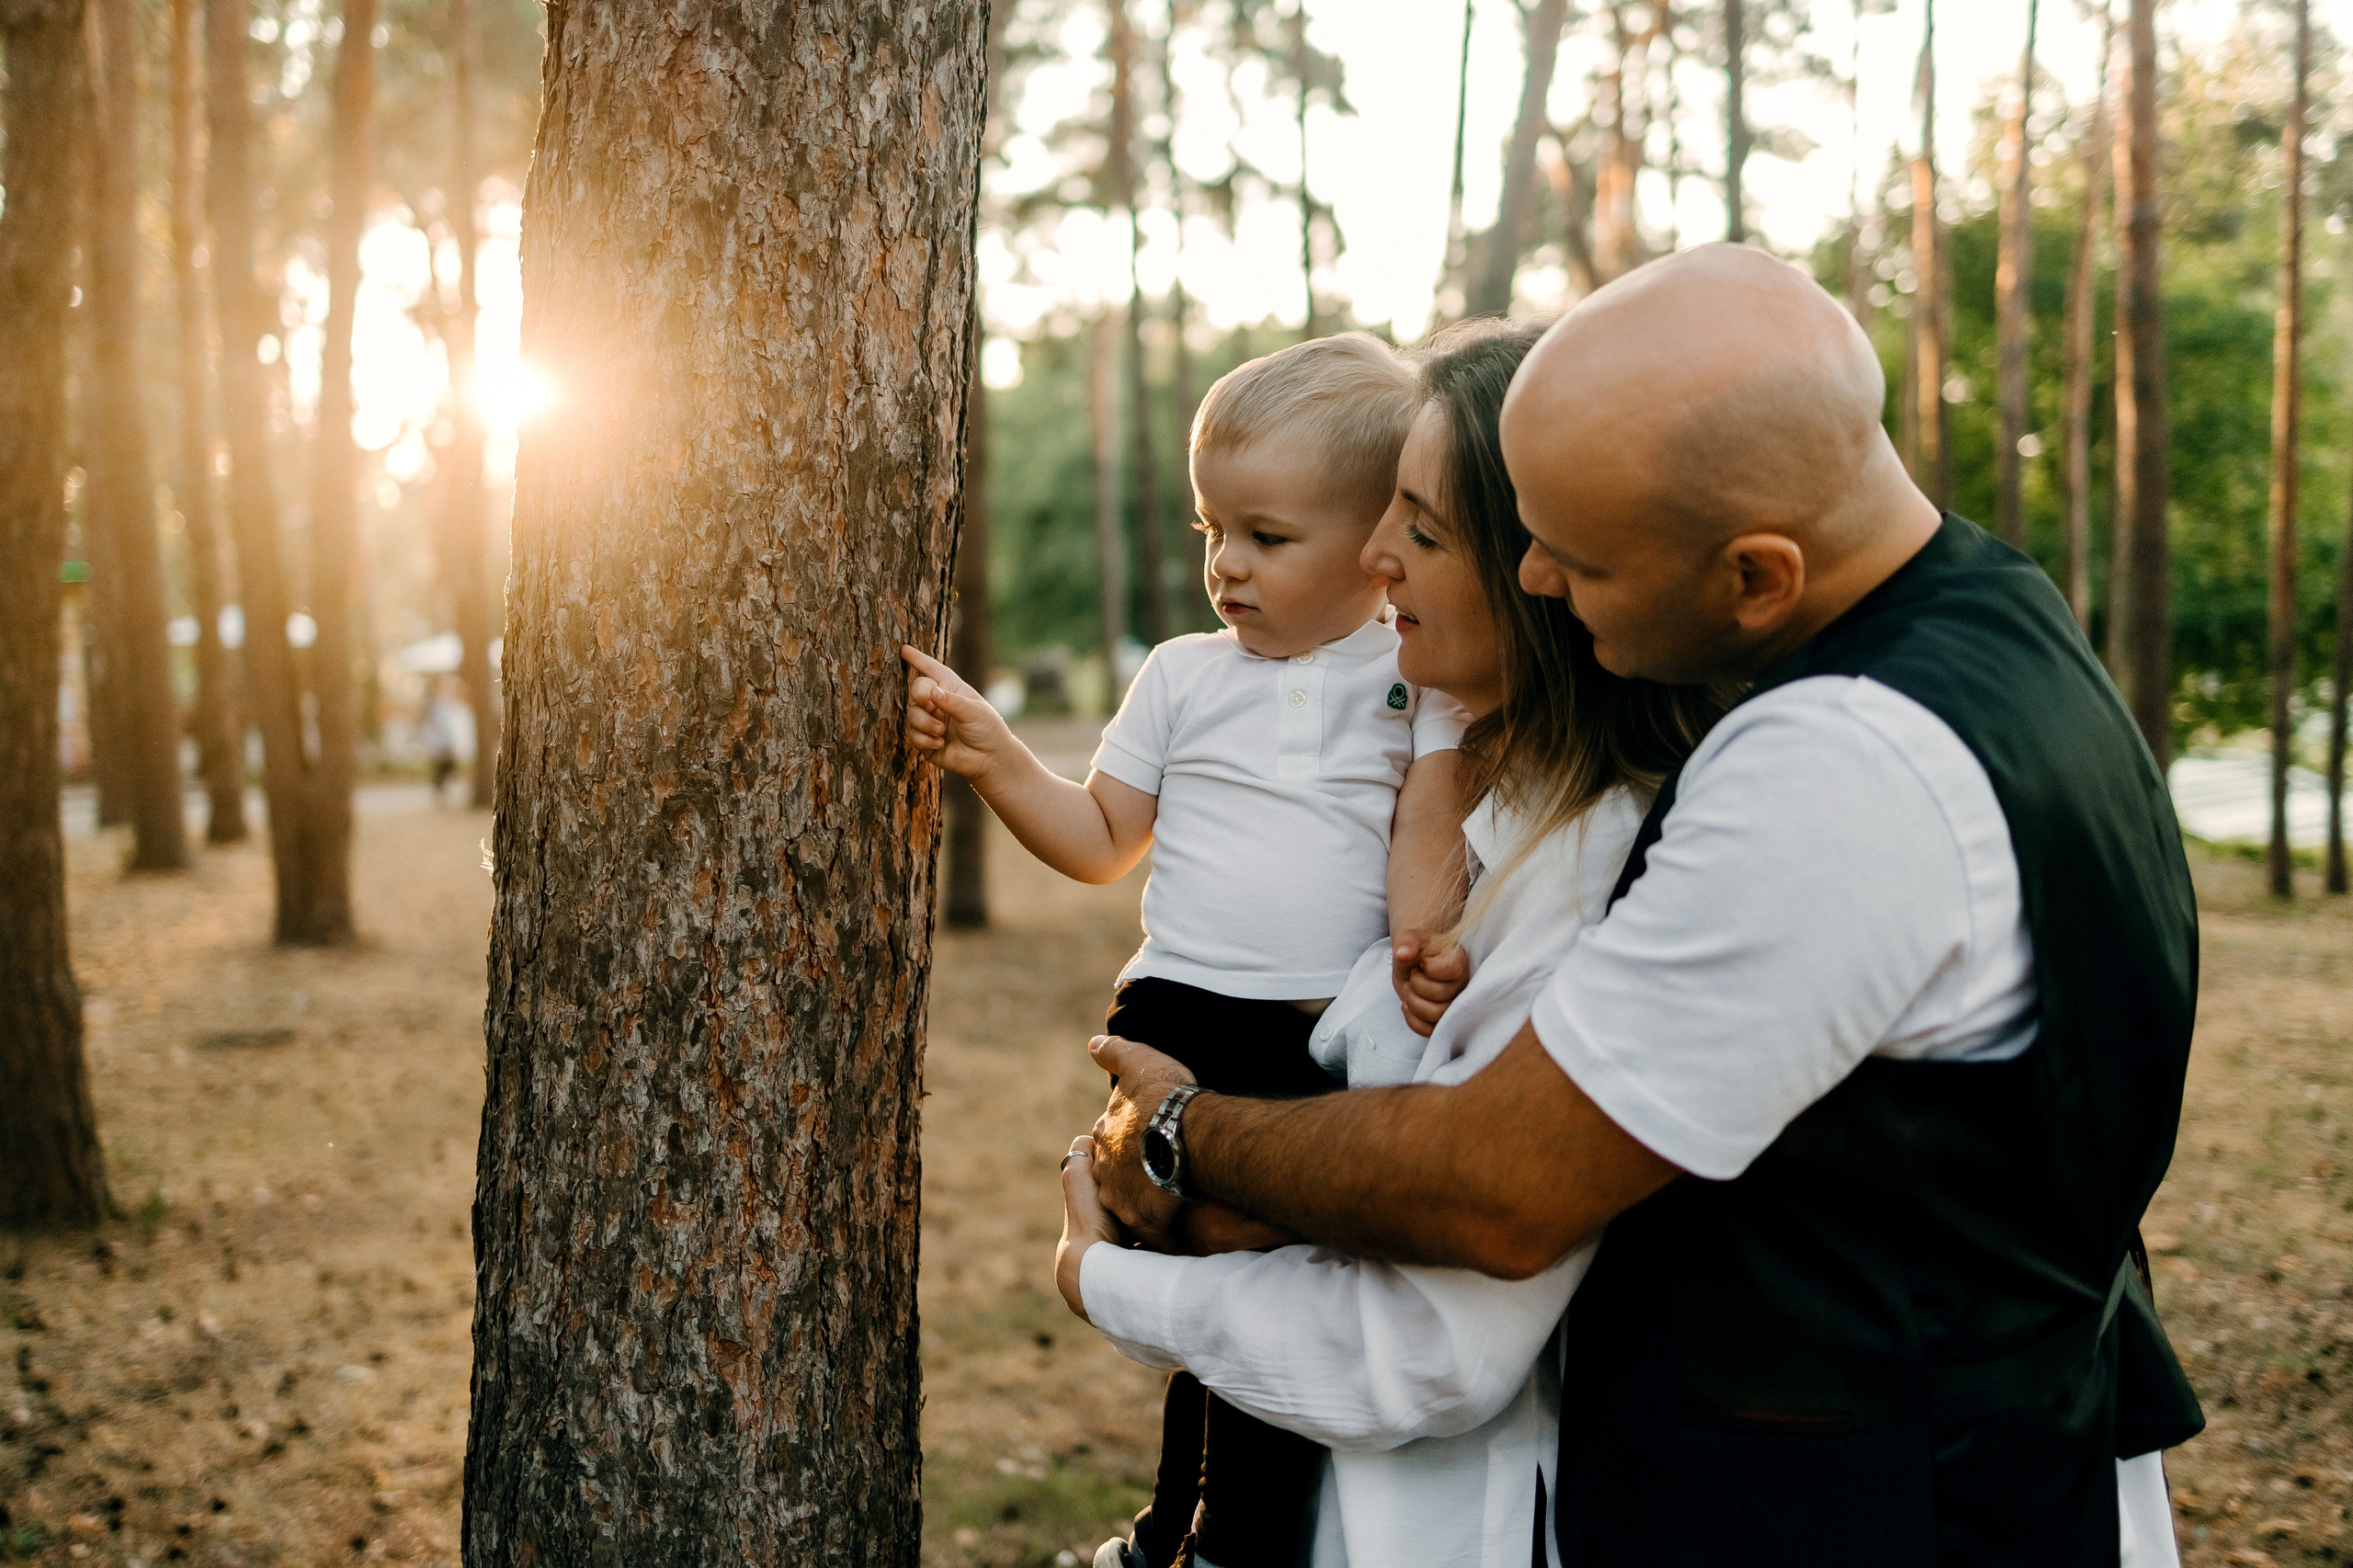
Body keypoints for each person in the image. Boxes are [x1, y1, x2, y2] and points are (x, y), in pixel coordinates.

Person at [1079, 245, 2204, 1565]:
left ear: (1756, 575)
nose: (1544, 577)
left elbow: (1494, 1197)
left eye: (1564, 551)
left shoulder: (1828, 767)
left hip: (1861, 1512)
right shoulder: (1999, 624)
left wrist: (1167, 1152)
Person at [1055, 320, 1723, 1567]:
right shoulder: (1459, 811)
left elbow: (1429, 1327)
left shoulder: (1613, 862)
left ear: (1544, 565)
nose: (1374, 555)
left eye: (1418, 527)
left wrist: (1122, 1250)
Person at [901, 334, 1473, 1568]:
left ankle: (1217, 1537)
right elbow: (1106, 837)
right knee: (1199, 1278)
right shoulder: (1181, 678)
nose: (1227, 565)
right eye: (1214, 528)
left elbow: (1429, 818)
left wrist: (1430, 938)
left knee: (1277, 1301)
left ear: (1380, 538)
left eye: (1267, 536)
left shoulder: (1415, 670)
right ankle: (1196, 1533)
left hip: (1323, 1030)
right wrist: (1001, 758)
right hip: (1185, 1014)